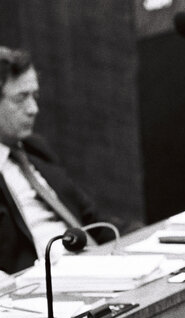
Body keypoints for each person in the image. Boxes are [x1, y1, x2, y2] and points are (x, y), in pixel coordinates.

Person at [0, 46, 111, 276]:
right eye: (21, 98)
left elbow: (94, 221)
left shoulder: (36, 149)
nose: (33, 109)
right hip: (39, 291)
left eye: (35, 96)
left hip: (93, 270)